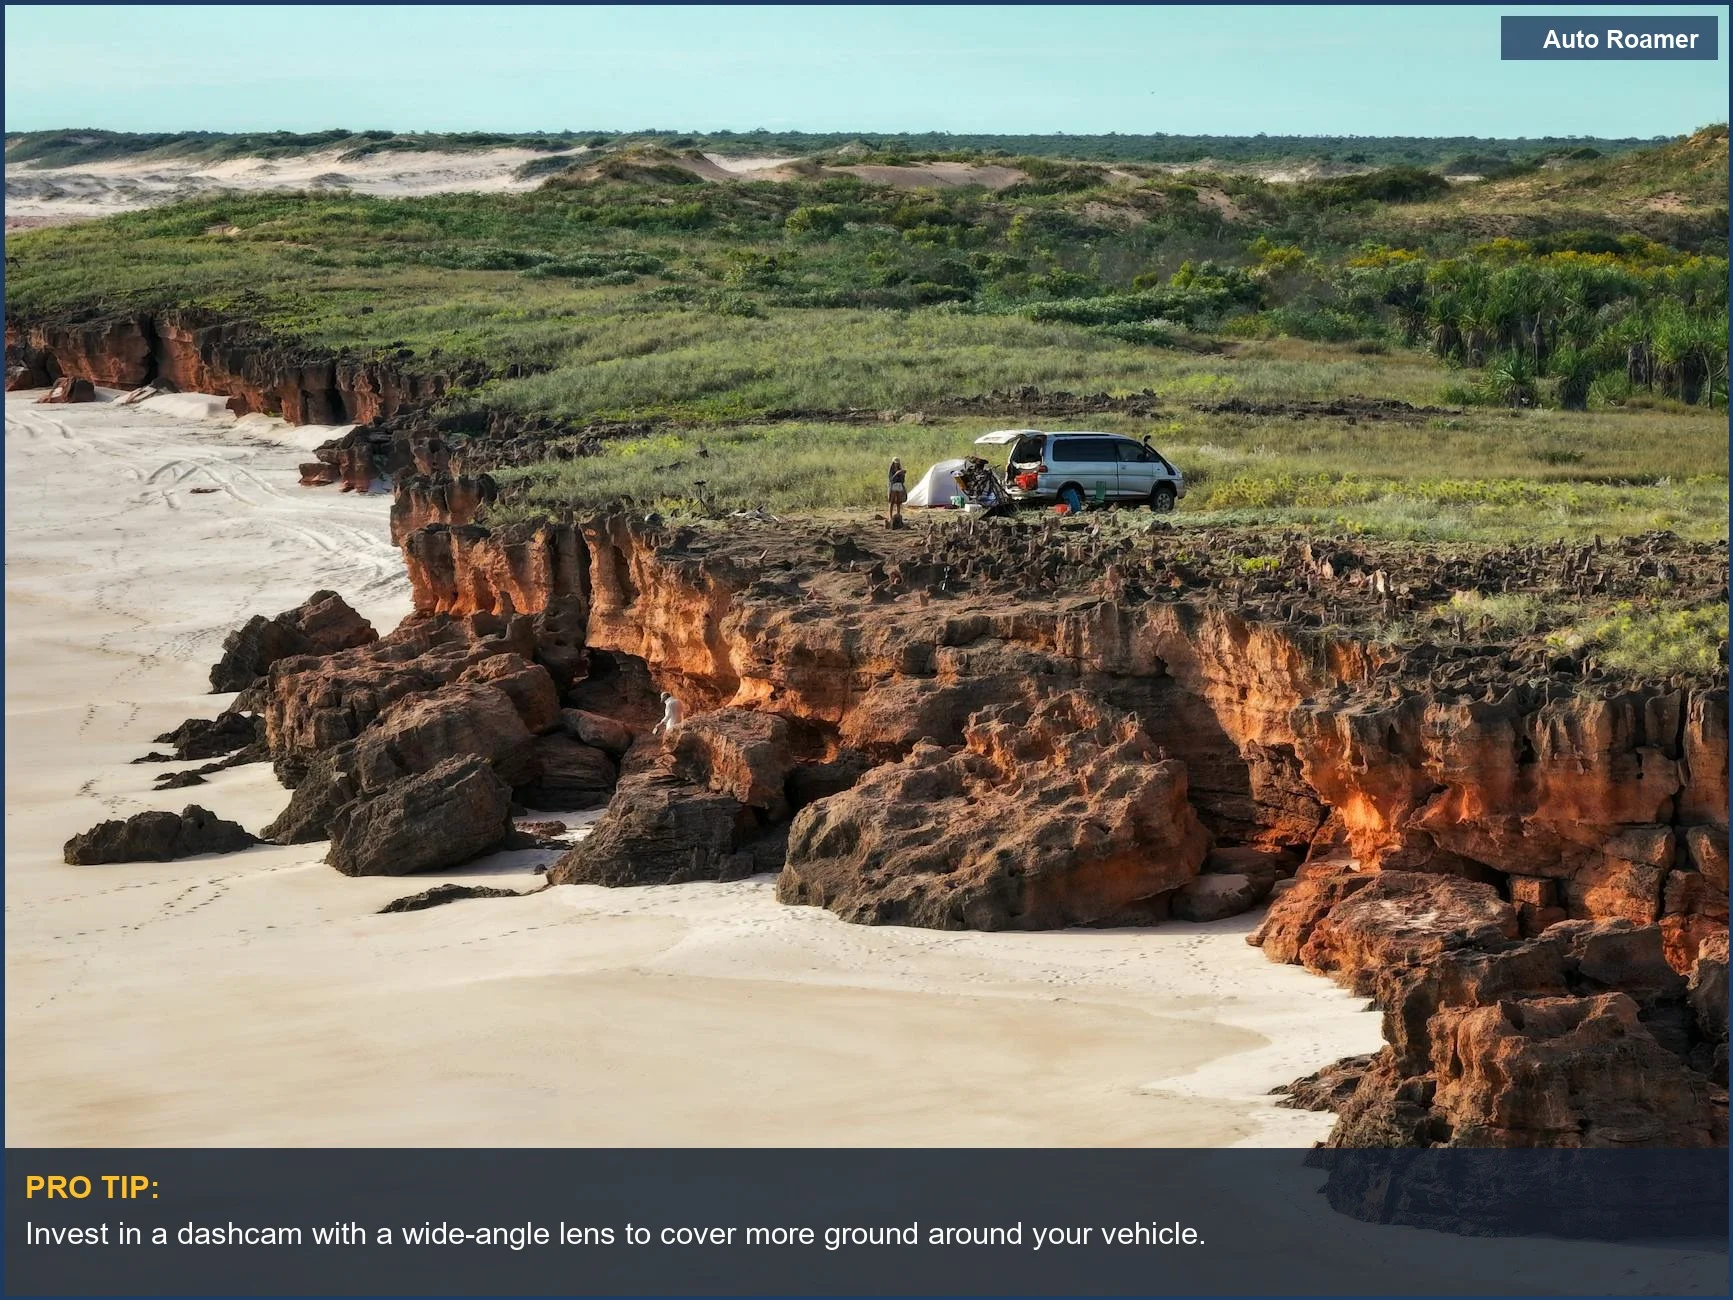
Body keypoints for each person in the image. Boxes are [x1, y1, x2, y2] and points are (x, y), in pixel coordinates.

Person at [886, 457, 907, 528]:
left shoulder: (899, 469)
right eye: (895, 463)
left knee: (898, 501)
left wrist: (902, 474)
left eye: (897, 463)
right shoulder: (891, 470)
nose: (896, 464)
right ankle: (890, 517)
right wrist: (897, 473)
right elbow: (890, 479)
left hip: (899, 485)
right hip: (893, 485)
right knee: (891, 502)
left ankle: (898, 515)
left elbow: (903, 480)